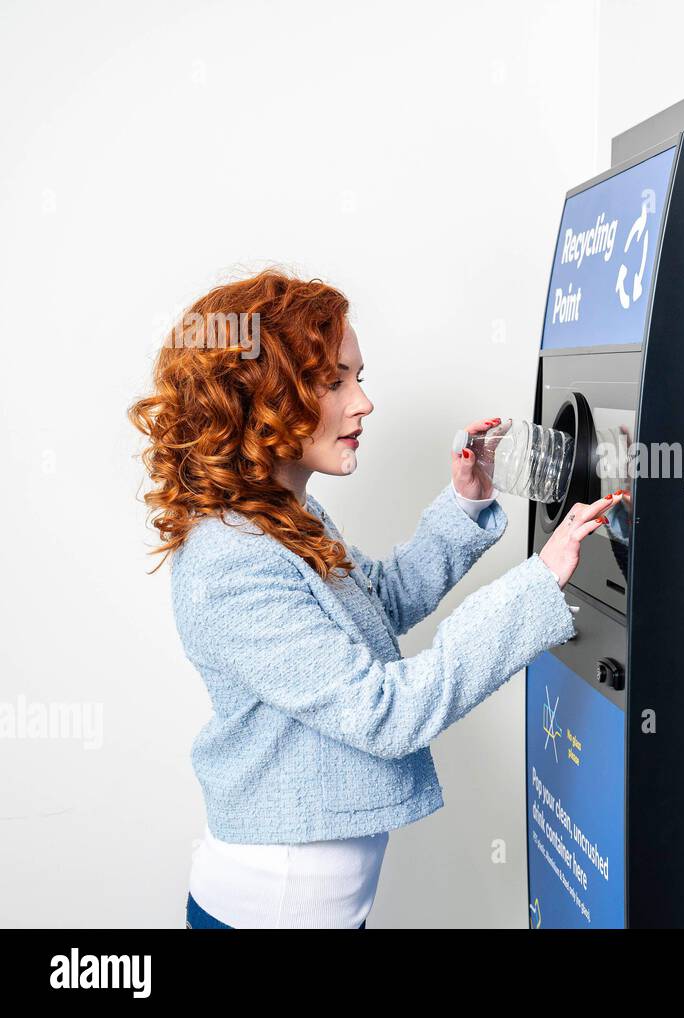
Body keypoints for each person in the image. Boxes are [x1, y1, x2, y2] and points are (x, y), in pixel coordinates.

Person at [128, 268, 624, 928]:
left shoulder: (279, 519)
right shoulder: (230, 563)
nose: (364, 402)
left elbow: (377, 601)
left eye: (358, 377)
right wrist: (535, 584)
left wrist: (467, 502)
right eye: (336, 381)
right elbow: (385, 714)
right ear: (263, 397)